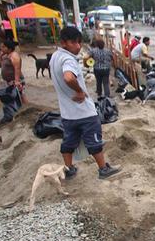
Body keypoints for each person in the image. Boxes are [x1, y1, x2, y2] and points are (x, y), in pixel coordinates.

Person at [49, 27, 121, 180]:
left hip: (68, 113)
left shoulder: (55, 56)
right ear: (63, 43)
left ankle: (69, 169)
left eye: (79, 42)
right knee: (93, 140)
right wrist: (80, 91)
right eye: (73, 42)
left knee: (69, 141)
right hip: (83, 112)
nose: (78, 46)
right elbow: (68, 77)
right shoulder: (68, 59)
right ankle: (103, 169)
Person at [0, 40, 27, 104]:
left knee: (21, 96)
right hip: (9, 80)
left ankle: (27, 109)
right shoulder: (6, 56)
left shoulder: (14, 55)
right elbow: (1, 66)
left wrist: (17, 81)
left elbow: (17, 68)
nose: (1, 48)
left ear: (9, 48)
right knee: (15, 97)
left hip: (16, 80)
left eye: (3, 47)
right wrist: (0, 57)